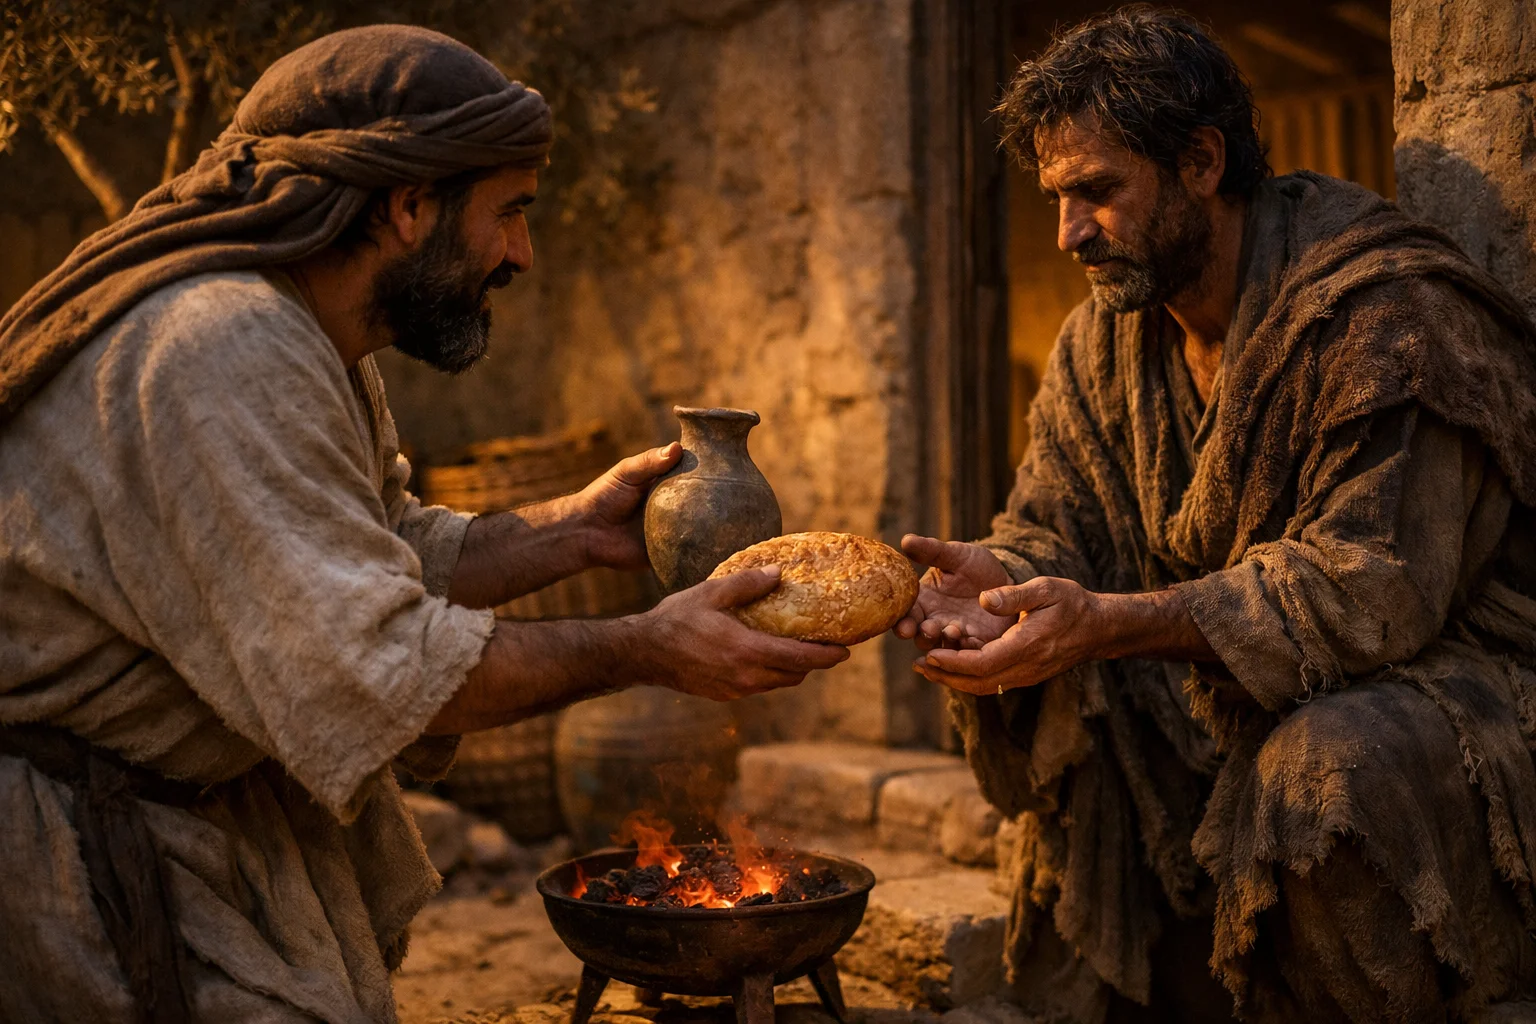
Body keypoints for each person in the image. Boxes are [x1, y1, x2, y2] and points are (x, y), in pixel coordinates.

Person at [0, 25, 848, 1023]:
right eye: (512, 214)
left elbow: (382, 551)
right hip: (73, 859)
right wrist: (648, 648)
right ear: (409, 207)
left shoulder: (318, 336)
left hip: (189, 823)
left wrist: (576, 531)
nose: (523, 254)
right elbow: (374, 663)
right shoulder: (219, 351)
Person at [897, 8, 1536, 1023]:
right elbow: (1055, 522)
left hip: (1446, 675)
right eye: (1057, 200)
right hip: (1219, 690)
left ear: (1200, 161)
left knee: (1330, 766)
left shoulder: (1380, 314)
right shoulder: (1103, 343)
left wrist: (1111, 622)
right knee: (1080, 708)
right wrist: (999, 577)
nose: (1067, 235)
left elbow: (1370, 592)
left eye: (1096, 193)